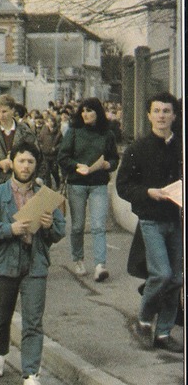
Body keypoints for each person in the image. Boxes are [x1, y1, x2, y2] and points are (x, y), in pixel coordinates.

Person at [0, 141, 66, 385]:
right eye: (21, 161)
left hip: (35, 263)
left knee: (33, 320)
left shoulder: (44, 194)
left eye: (30, 162)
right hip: (4, 263)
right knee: (1, 315)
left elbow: (60, 230)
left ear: (37, 165)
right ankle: (0, 353)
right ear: (12, 162)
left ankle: (31, 374)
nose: (25, 166)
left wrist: (48, 226)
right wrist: (8, 229)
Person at [115, 91, 182, 353]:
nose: (162, 116)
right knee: (162, 274)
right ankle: (143, 321)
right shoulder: (137, 149)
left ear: (174, 116)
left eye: (166, 111)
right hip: (151, 220)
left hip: (176, 221)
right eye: (157, 111)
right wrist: (147, 193)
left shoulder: (180, 146)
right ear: (149, 115)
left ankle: (164, 333)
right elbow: (123, 186)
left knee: (177, 279)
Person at [56, 98, 118, 283]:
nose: (85, 114)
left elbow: (114, 159)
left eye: (89, 111)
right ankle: (78, 259)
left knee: (99, 226)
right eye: (83, 111)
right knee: (77, 226)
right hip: (77, 183)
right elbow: (63, 157)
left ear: (98, 113)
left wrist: (108, 164)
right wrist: (76, 165)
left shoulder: (107, 134)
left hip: (99, 183)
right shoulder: (74, 132)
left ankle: (100, 265)